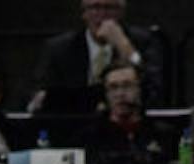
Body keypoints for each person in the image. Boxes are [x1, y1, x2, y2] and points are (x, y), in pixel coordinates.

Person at [29, 0, 167, 112]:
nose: (102, 15)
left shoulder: (143, 41)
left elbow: (153, 92)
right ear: (84, 13)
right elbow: (39, 94)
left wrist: (125, 48)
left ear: (121, 12)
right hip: (75, 125)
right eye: (95, 7)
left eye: (109, 8)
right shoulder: (59, 48)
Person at [80, 63, 170, 164]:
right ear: (105, 94)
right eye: (113, 87)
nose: (120, 94)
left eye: (127, 85)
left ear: (141, 90)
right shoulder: (89, 137)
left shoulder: (164, 134)